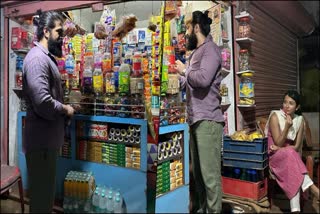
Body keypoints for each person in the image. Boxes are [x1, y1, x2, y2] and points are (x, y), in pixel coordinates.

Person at [22, 10, 75, 213]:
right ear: (46, 31)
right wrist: (65, 108)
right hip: (41, 146)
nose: (62, 38)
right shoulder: (37, 60)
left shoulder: (46, 58)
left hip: (46, 144)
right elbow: (43, 102)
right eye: (59, 32)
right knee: (42, 203)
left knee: (44, 199)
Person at [174, 10, 224, 213]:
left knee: (210, 177)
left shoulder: (211, 49)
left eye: (187, 28)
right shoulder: (196, 52)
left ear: (196, 27)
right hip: (195, 120)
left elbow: (202, 79)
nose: (185, 34)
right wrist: (177, 77)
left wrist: (184, 70)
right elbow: (191, 82)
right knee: (199, 177)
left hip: (208, 121)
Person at [264, 90, 319, 212]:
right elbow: (277, 143)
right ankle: (312, 188)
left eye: (291, 103)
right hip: (274, 156)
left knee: (292, 164)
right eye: (285, 102)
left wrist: (282, 148)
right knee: (291, 155)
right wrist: (287, 127)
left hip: (289, 156)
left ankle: (295, 210)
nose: (287, 106)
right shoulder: (275, 116)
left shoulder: (300, 120)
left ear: (297, 107)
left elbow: (297, 146)